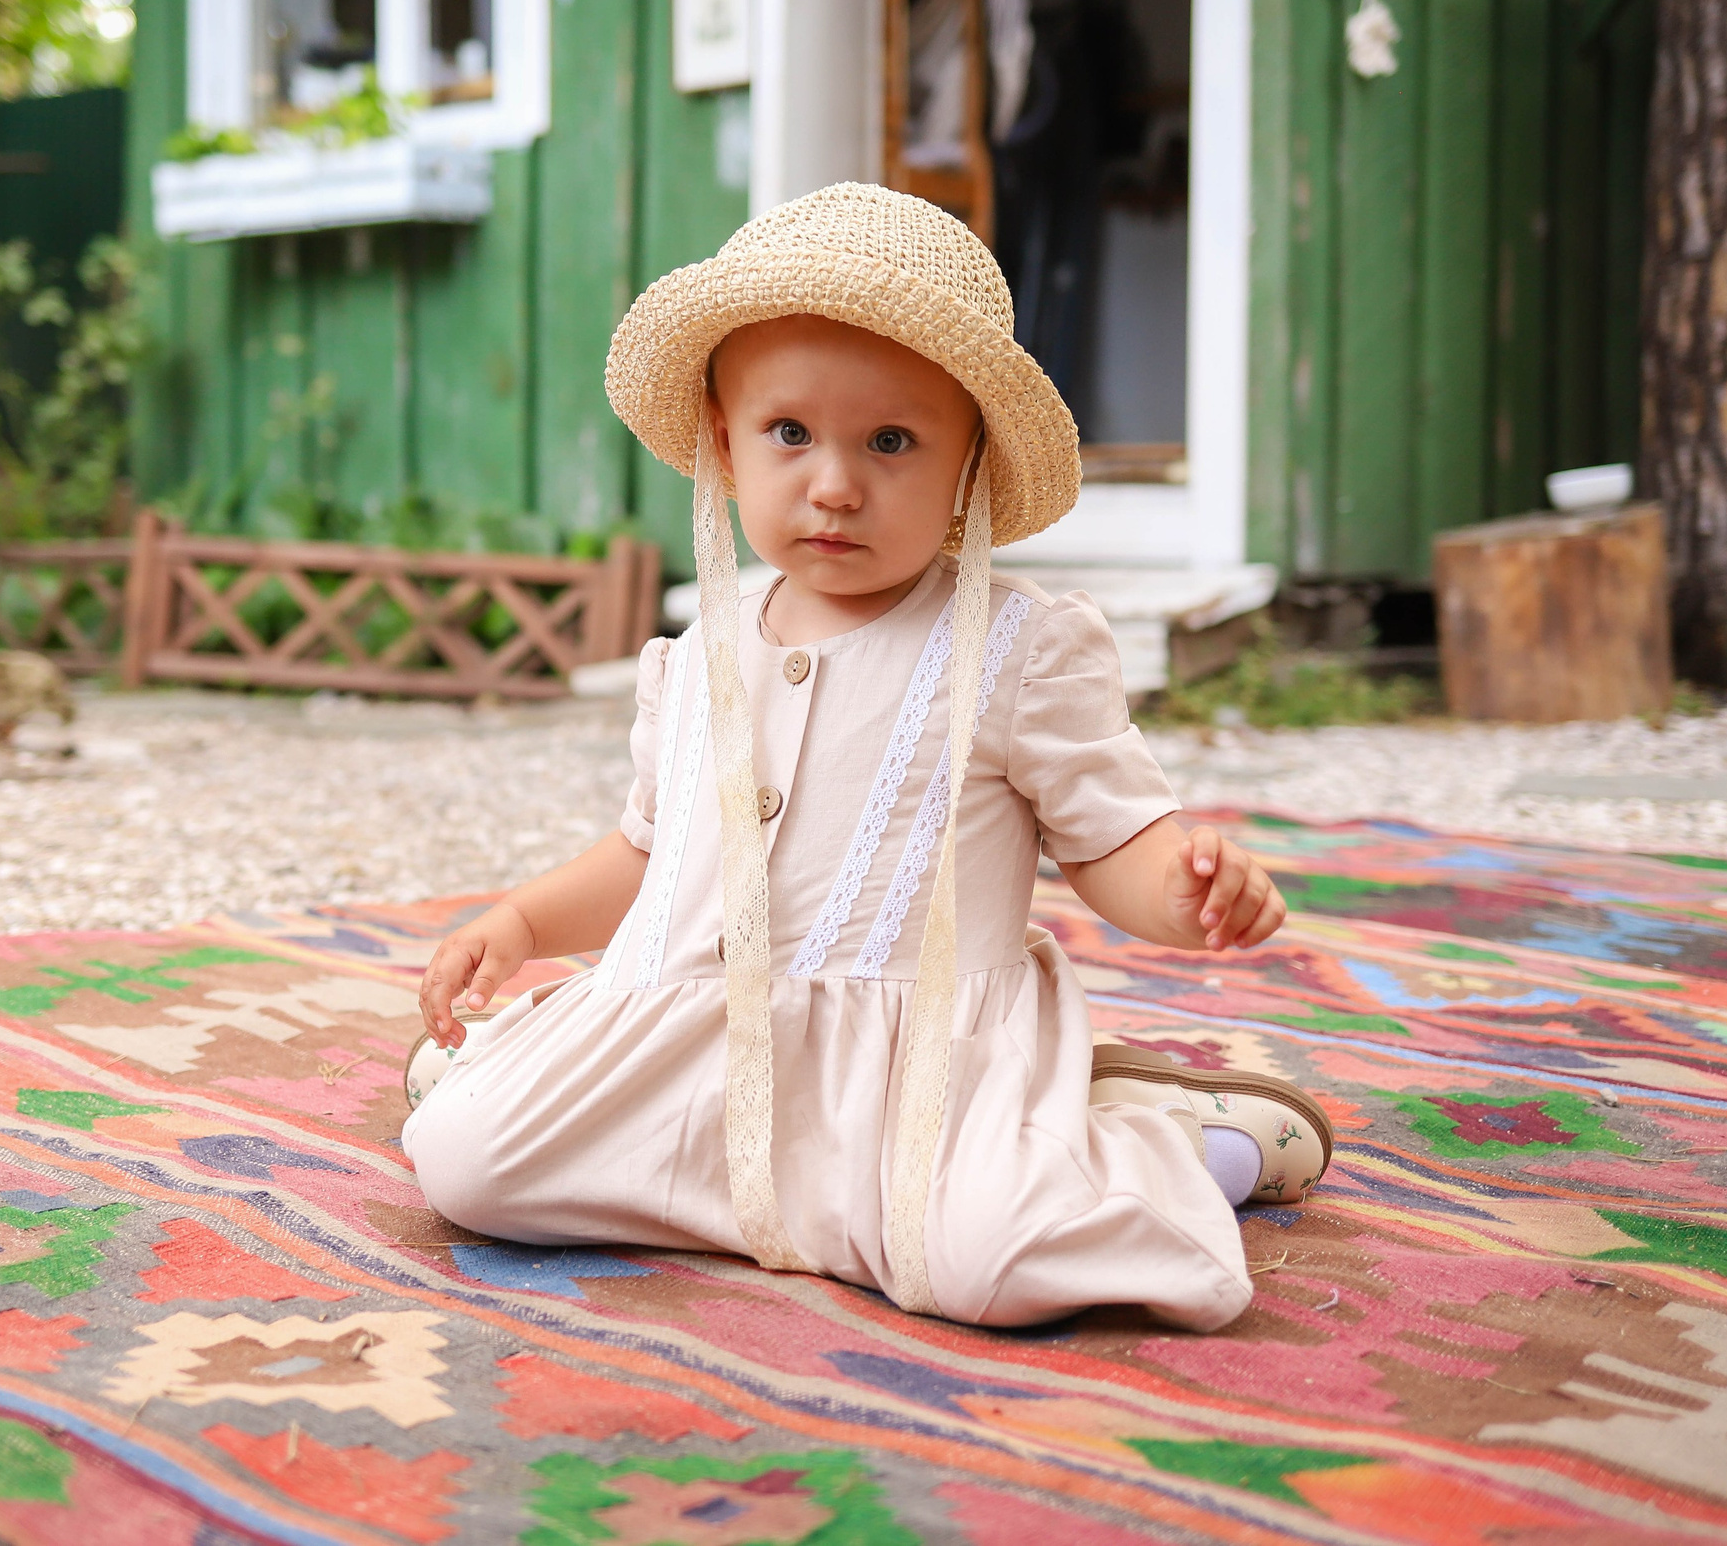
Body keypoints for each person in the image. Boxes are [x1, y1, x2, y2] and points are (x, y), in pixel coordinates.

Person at [401, 184, 1331, 1331]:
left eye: (891, 441)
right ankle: (543, 1080)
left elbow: (1110, 843)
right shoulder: (696, 659)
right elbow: (653, 852)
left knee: (987, 1265)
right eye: (789, 434)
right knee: (464, 1166)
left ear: (969, 467)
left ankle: (1165, 1137)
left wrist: (1187, 889)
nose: (834, 484)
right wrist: (524, 927)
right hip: (697, 1039)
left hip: (910, 1066)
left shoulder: (1016, 651)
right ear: (725, 450)